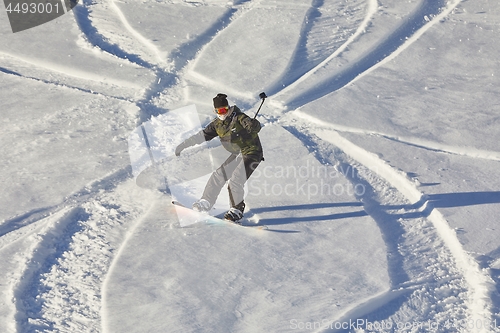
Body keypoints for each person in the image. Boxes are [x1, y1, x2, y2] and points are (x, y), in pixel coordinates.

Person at [174, 93, 263, 222]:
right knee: (218, 175)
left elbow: (254, 125)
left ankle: (236, 210)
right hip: (238, 153)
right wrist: (184, 144)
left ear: (229, 108)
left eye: (224, 110)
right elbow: (202, 135)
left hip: (252, 152)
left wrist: (253, 125)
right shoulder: (217, 124)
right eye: (219, 110)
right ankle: (206, 202)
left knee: (236, 179)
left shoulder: (239, 118)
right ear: (215, 111)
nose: (222, 113)